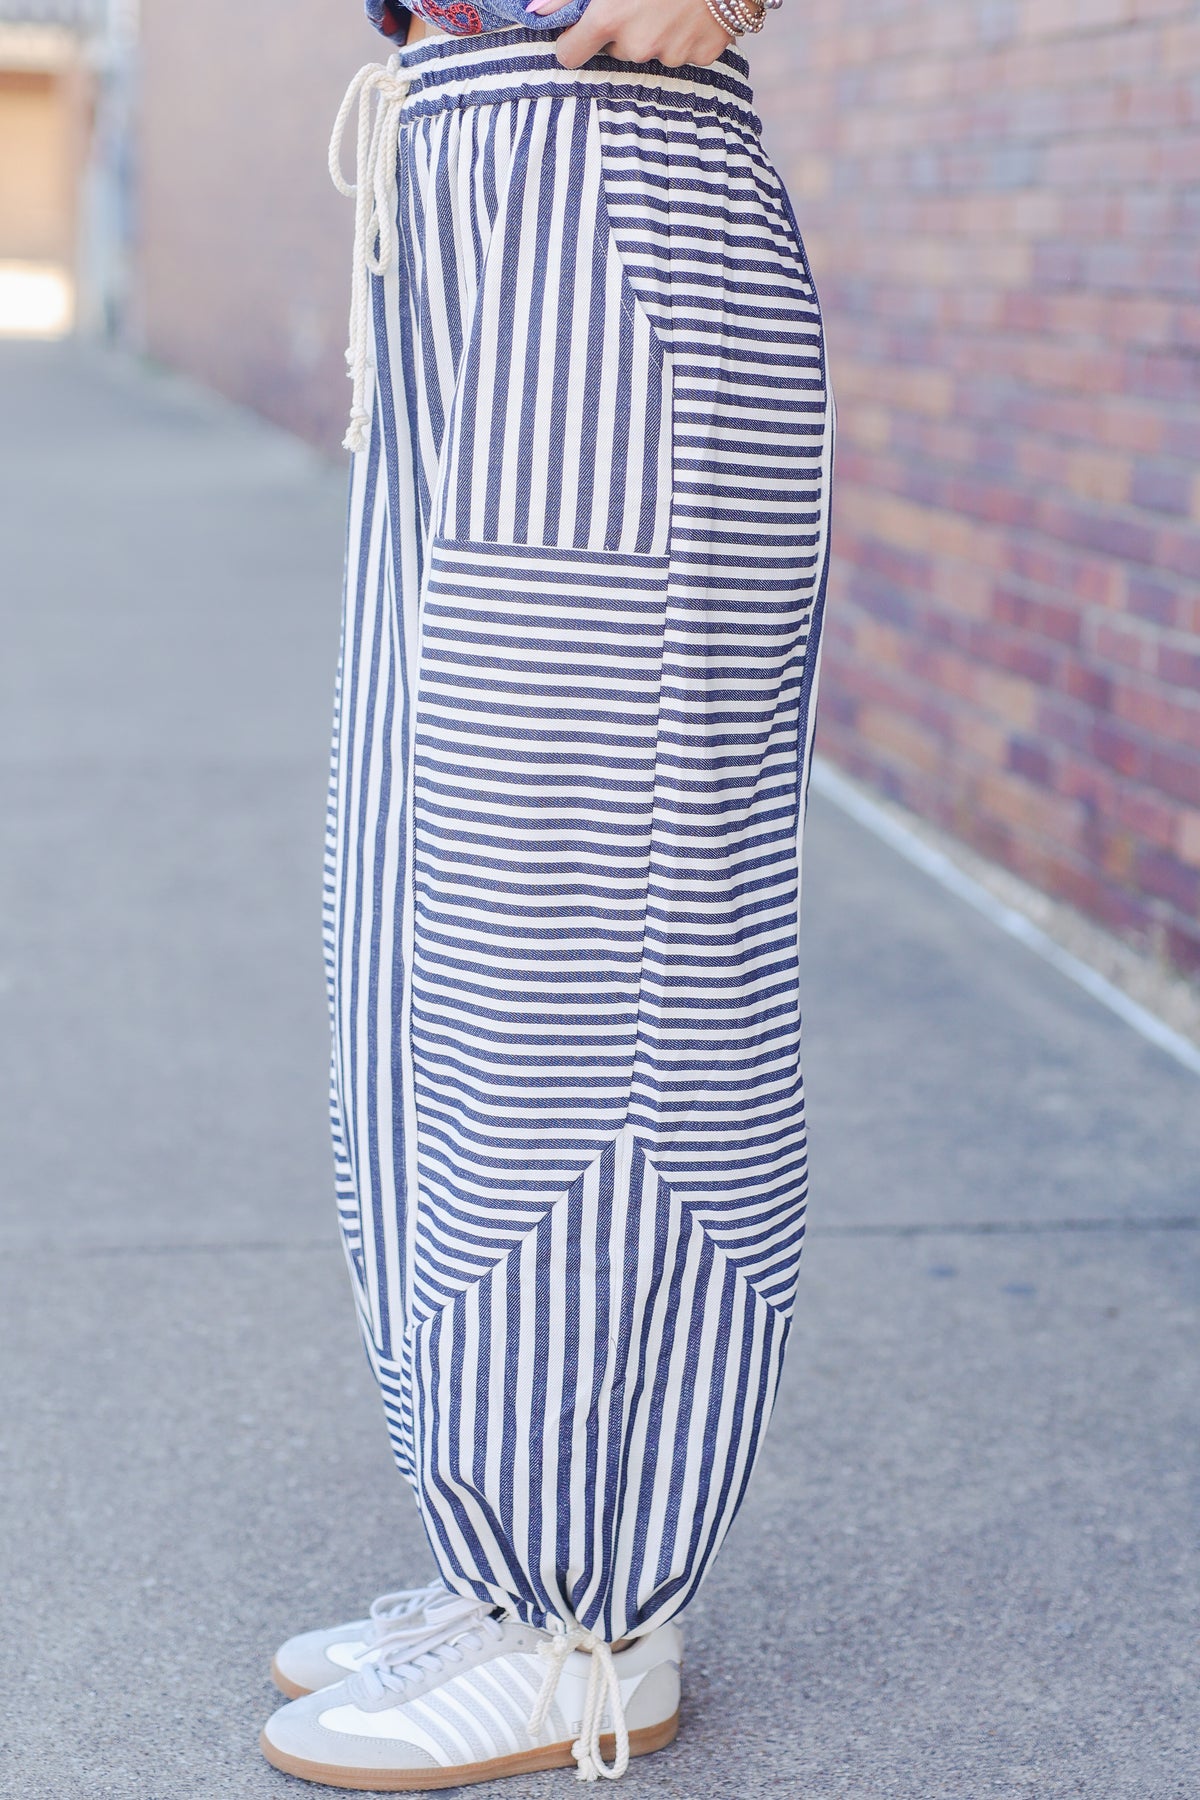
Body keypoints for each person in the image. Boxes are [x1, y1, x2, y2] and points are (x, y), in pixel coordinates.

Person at [259, 0, 832, 1786]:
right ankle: (505, 1559)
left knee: (590, 920)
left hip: (615, 166)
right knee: (431, 897)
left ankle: (590, 1618)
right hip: (463, 163)